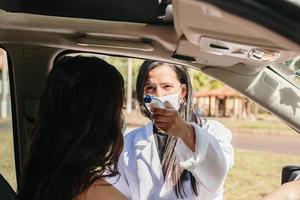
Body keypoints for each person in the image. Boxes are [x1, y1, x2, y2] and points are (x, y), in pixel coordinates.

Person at [107, 60, 234, 199]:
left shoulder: (214, 131)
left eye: (167, 86)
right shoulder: (129, 143)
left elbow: (216, 174)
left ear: (183, 92)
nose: (159, 95)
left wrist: (186, 132)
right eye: (150, 88)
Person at [19, 56, 128, 200]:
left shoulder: (38, 176)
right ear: (102, 121)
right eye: (120, 109)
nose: (121, 119)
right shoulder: (99, 193)